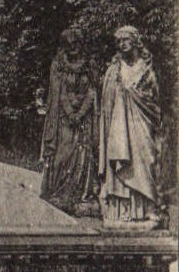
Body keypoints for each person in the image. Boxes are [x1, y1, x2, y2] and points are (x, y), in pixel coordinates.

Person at [99, 26, 161, 225]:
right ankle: (122, 210)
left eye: (125, 39)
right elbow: (106, 101)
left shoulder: (146, 67)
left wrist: (135, 97)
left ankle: (149, 208)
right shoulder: (115, 69)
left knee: (146, 161)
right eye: (119, 41)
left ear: (135, 41)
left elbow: (155, 99)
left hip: (142, 123)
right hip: (119, 126)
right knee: (122, 162)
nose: (121, 44)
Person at [39, 28, 98, 214]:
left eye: (76, 43)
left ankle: (80, 195)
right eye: (69, 44)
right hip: (63, 119)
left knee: (83, 154)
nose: (73, 47)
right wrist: (70, 113)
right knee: (62, 154)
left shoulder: (89, 65)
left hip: (84, 119)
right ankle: (58, 192)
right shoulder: (58, 65)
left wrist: (80, 113)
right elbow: (58, 92)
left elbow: (93, 90)